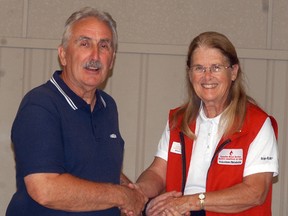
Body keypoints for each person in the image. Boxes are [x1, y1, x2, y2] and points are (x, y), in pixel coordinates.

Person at [6, 7, 147, 216]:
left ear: (112, 59)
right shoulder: (40, 105)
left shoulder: (108, 106)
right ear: (63, 54)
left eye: (104, 46)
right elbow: (45, 188)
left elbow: (97, 165)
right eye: (84, 43)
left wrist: (133, 192)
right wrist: (122, 196)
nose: (95, 55)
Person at [135, 31, 279, 216]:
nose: (207, 76)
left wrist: (191, 202)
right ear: (189, 74)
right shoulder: (179, 120)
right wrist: (138, 193)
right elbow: (157, 172)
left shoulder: (257, 123)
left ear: (233, 72)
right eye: (199, 68)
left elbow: (255, 192)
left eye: (216, 67)